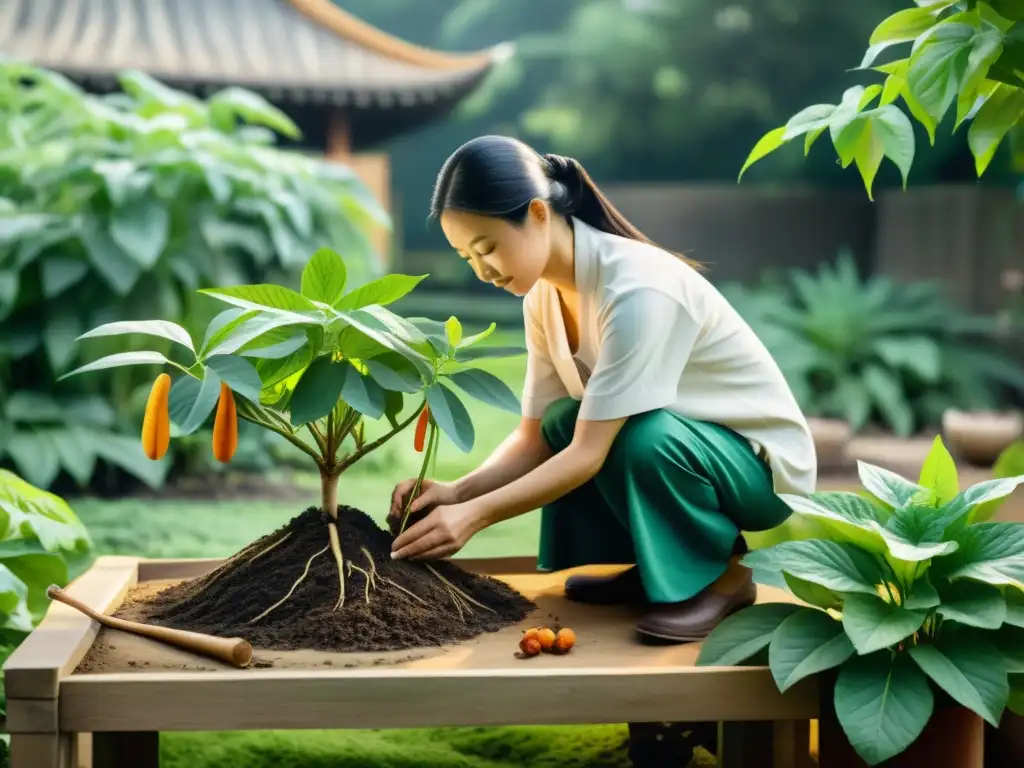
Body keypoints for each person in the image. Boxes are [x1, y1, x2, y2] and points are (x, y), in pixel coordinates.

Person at [388, 135, 816, 643]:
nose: (482, 270)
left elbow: (589, 455)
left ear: (539, 214)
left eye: (488, 248)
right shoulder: (544, 299)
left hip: (759, 472)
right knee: (563, 420)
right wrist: (455, 492)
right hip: (697, 451)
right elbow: (535, 438)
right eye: (466, 257)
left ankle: (724, 577)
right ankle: (661, 570)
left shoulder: (636, 289)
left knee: (639, 434)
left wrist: (473, 516)